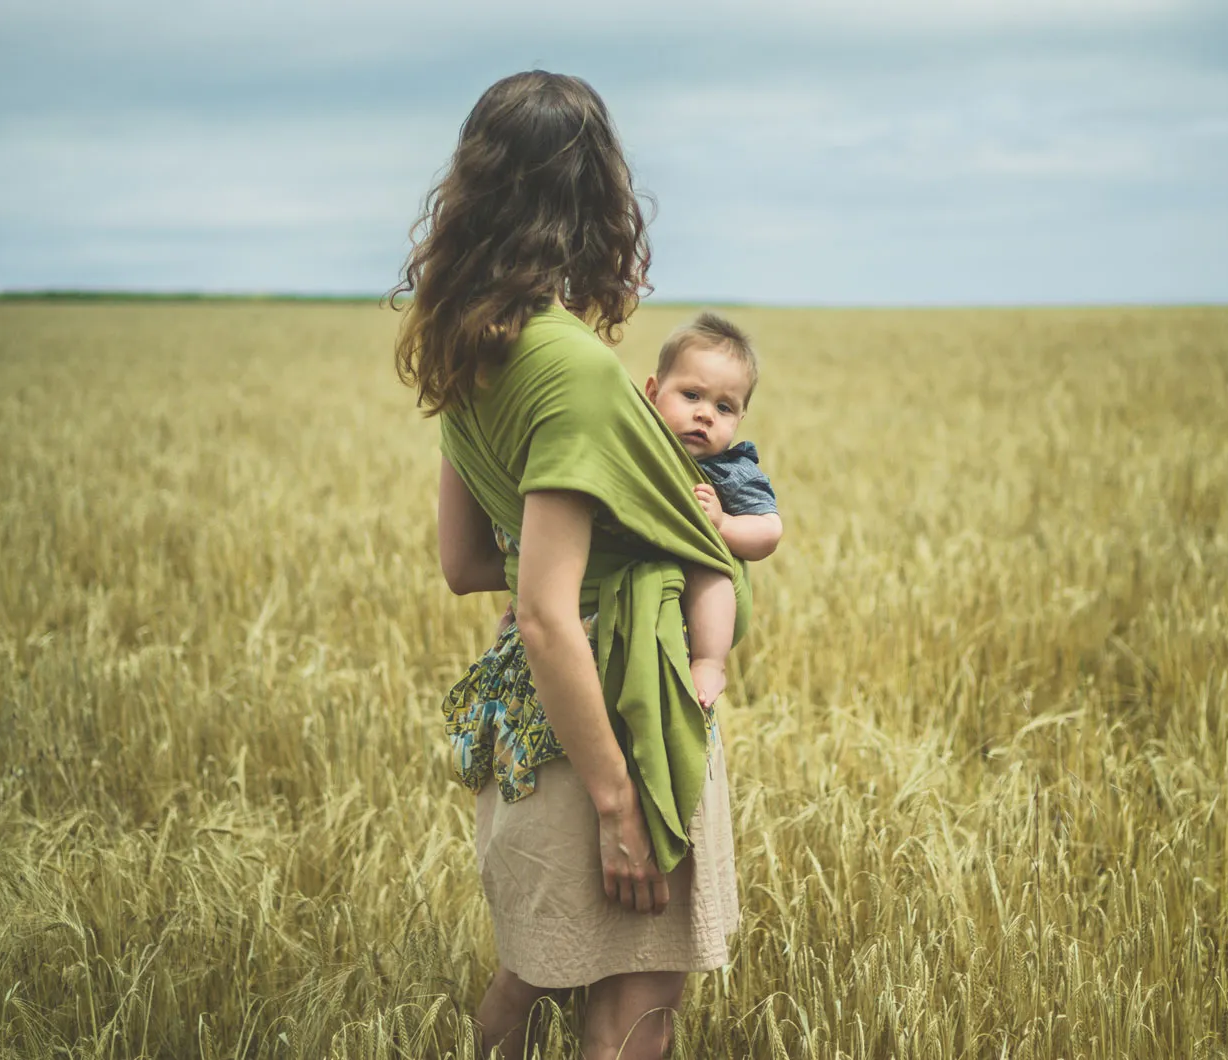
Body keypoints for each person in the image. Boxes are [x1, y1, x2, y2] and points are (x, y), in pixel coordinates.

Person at [392, 71, 746, 1060]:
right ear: (597, 199)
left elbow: (468, 564)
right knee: (629, 1022)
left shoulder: (472, 352)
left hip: (529, 735)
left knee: (530, 991)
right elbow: (547, 614)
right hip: (616, 728)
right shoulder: (581, 371)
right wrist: (619, 805)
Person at [644, 313, 783, 711]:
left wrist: (723, 525)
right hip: (633, 576)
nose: (705, 414)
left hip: (691, 585)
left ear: (740, 420)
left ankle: (708, 661)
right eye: (691, 396)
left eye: (724, 407)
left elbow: (769, 530)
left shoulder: (730, 471)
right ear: (652, 392)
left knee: (708, 569)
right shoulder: (639, 449)